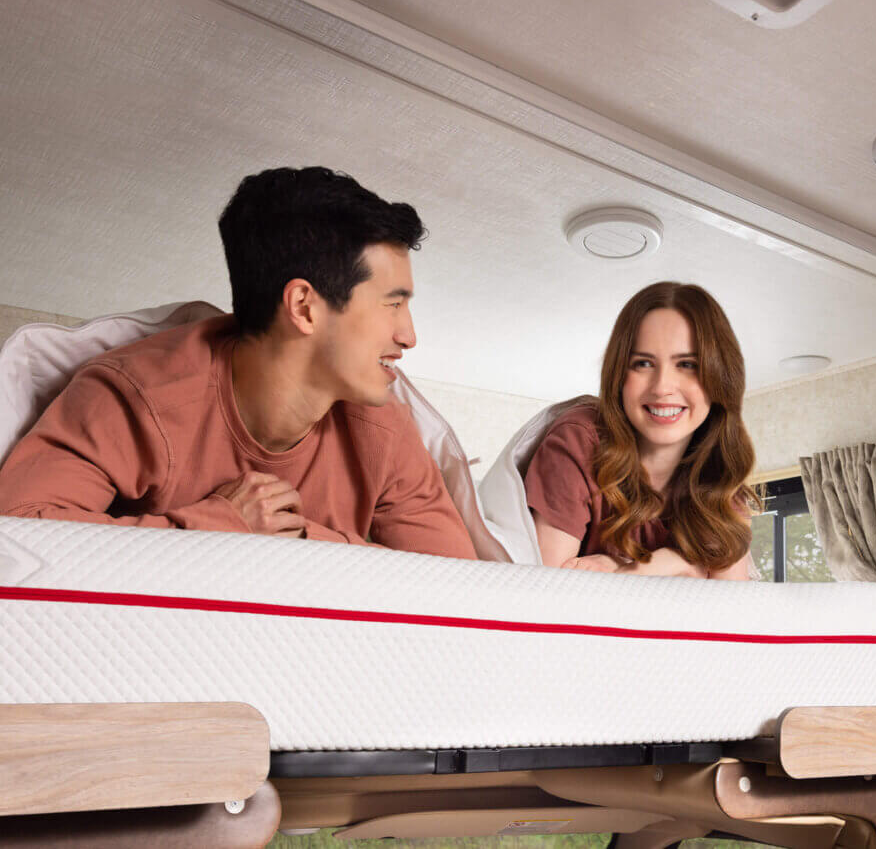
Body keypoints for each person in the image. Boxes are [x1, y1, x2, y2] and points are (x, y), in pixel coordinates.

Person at [0, 167, 476, 559]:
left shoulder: (383, 430)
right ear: (305, 307)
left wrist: (306, 542)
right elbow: (17, 536)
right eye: (392, 304)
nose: (408, 336)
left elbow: (463, 586)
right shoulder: (137, 396)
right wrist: (220, 525)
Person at [525, 281, 759, 579]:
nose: (662, 387)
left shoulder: (722, 485)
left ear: (720, 378)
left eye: (687, 364)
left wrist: (654, 566)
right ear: (619, 375)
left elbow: (727, 614)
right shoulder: (580, 440)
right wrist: (695, 571)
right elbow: (544, 593)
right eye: (643, 363)